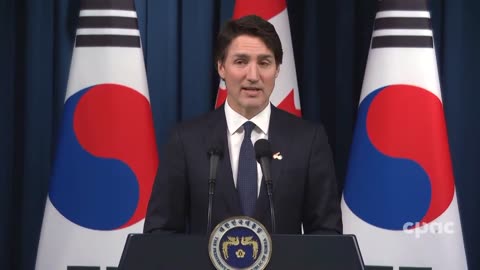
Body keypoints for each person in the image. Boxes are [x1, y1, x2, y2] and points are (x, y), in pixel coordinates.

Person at [144, 15, 341, 235]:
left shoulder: (308, 140)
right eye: (241, 62)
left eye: (264, 63)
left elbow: (327, 233)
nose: (253, 76)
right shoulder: (186, 140)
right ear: (221, 67)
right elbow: (160, 231)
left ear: (277, 69)